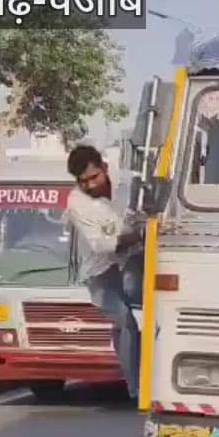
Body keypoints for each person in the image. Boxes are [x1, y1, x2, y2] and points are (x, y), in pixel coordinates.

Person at [64, 145, 144, 399]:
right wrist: (142, 233)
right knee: (124, 319)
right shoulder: (77, 203)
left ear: (105, 168)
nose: (89, 186)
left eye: (93, 177)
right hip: (100, 269)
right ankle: (136, 389)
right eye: (83, 182)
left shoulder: (130, 182)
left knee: (158, 307)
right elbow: (104, 244)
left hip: (134, 257)